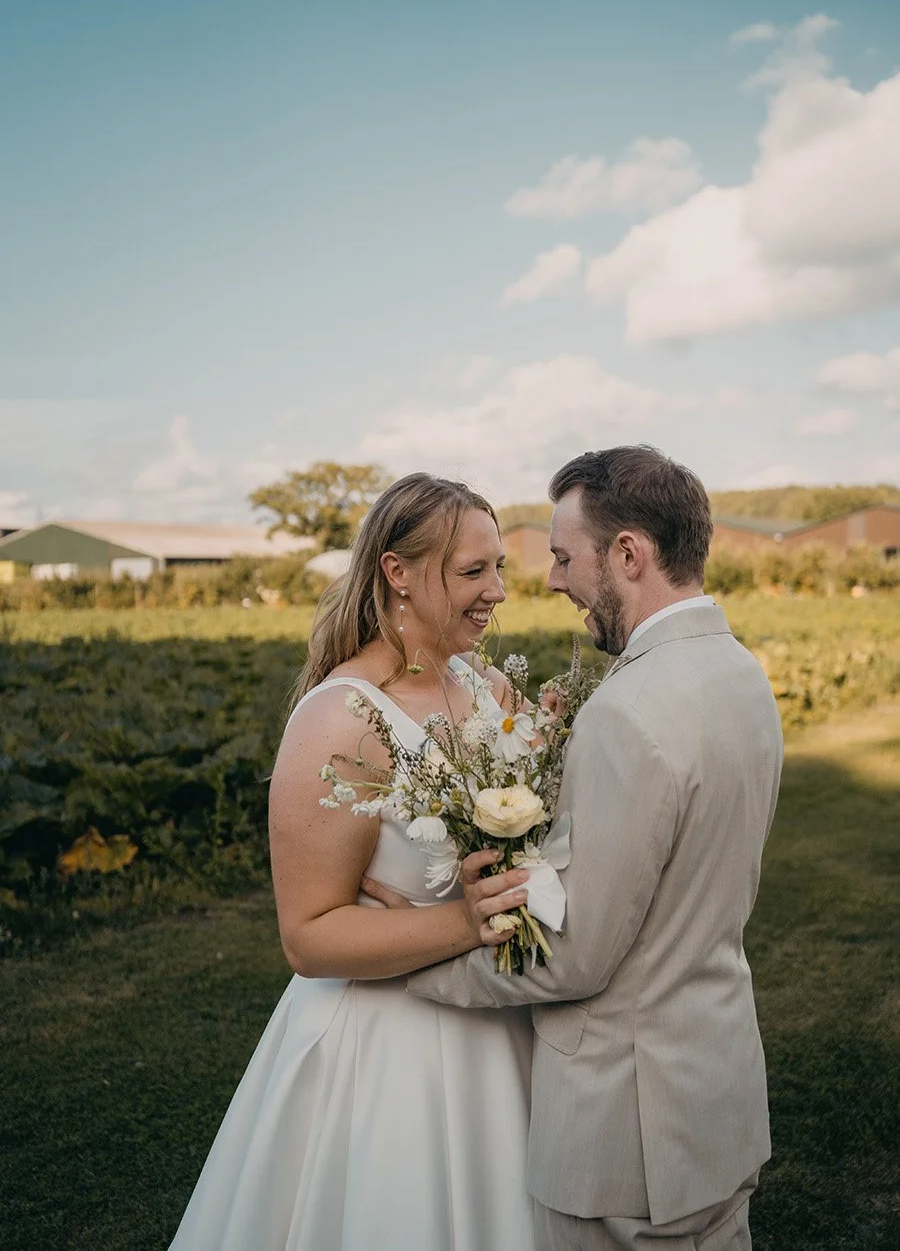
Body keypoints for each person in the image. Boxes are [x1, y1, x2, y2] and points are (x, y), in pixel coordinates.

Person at [406, 446, 784, 1251]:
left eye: (562, 556)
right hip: (716, 1096)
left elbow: (574, 959)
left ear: (628, 554)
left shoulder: (626, 712)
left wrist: (419, 965)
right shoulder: (742, 675)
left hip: (630, 1139)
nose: (549, 581)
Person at [168, 474, 535, 1251]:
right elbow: (308, 938)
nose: (497, 591)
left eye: (499, 567)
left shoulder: (488, 685)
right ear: (397, 572)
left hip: (501, 1028)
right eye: (473, 572)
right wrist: (463, 921)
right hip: (386, 1055)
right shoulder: (342, 717)